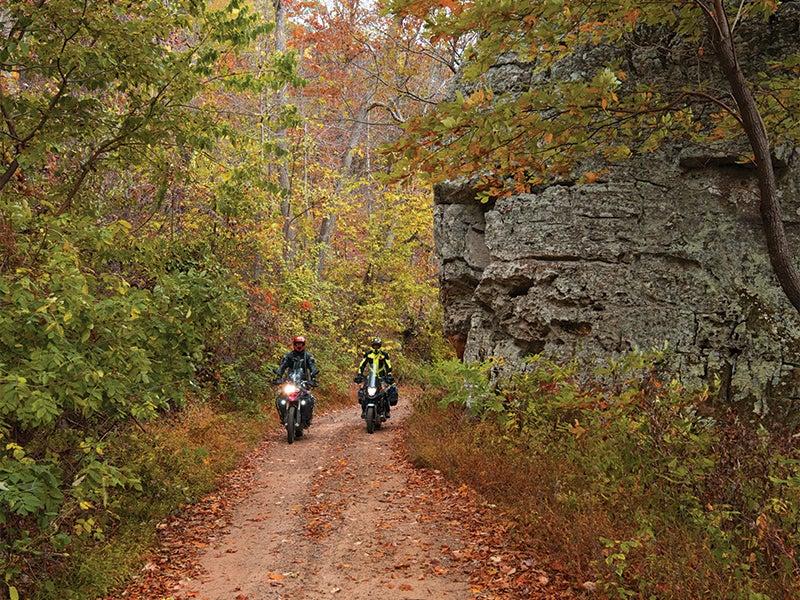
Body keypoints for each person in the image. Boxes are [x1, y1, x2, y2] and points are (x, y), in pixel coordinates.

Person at [275, 336, 319, 425]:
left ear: (303, 345)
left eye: (301, 344)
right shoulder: (289, 356)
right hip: (290, 382)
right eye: (297, 344)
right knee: (280, 400)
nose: (299, 346)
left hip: (303, 382)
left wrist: (313, 376)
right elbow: (282, 366)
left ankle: (306, 419)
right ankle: (283, 417)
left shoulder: (308, 356)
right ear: (294, 345)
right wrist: (279, 375)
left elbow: (312, 367)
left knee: (309, 400)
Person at [354, 338, 397, 417]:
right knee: (364, 392)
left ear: (380, 346)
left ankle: (387, 411)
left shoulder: (384, 355)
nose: (376, 347)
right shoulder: (368, 354)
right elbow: (362, 365)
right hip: (371, 377)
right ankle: (364, 410)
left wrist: (389, 374)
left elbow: (388, 366)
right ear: (372, 346)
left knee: (385, 392)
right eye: (375, 345)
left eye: (377, 345)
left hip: (382, 377)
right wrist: (360, 374)